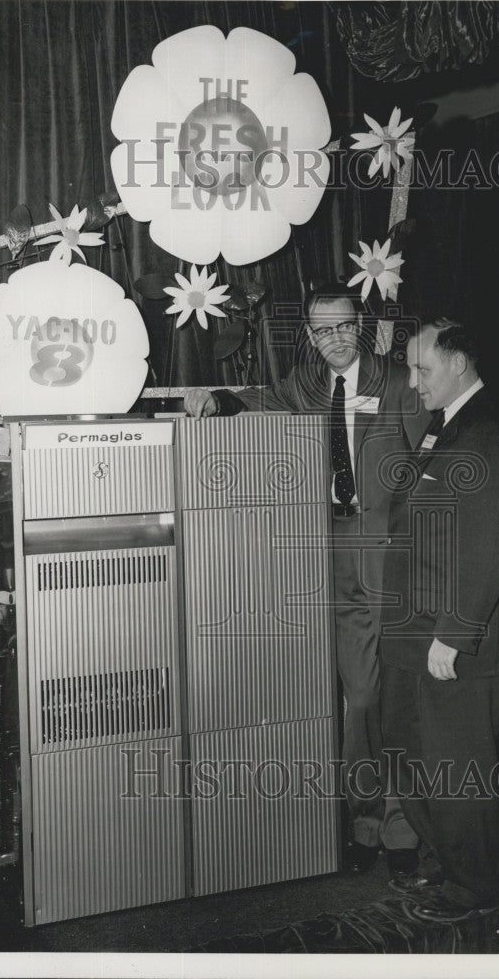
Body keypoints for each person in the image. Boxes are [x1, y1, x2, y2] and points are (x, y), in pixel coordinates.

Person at [184, 283, 428, 878]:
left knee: (400, 693)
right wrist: (222, 398)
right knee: (359, 694)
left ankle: (404, 825)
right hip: (337, 548)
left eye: (343, 327)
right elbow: (270, 399)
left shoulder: (399, 381)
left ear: (361, 325)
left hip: (394, 557)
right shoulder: (311, 384)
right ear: (311, 336)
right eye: (322, 331)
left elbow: (431, 463)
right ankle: (365, 817)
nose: (334, 340)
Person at [379, 318, 499, 922]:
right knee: (412, 757)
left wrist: (453, 635)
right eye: (410, 369)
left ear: (458, 362)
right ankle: (443, 865)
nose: (413, 383)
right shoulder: (444, 429)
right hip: (413, 638)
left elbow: (489, 543)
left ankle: (475, 891)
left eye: (422, 369)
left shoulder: (485, 435)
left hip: (452, 643)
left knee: (459, 770)